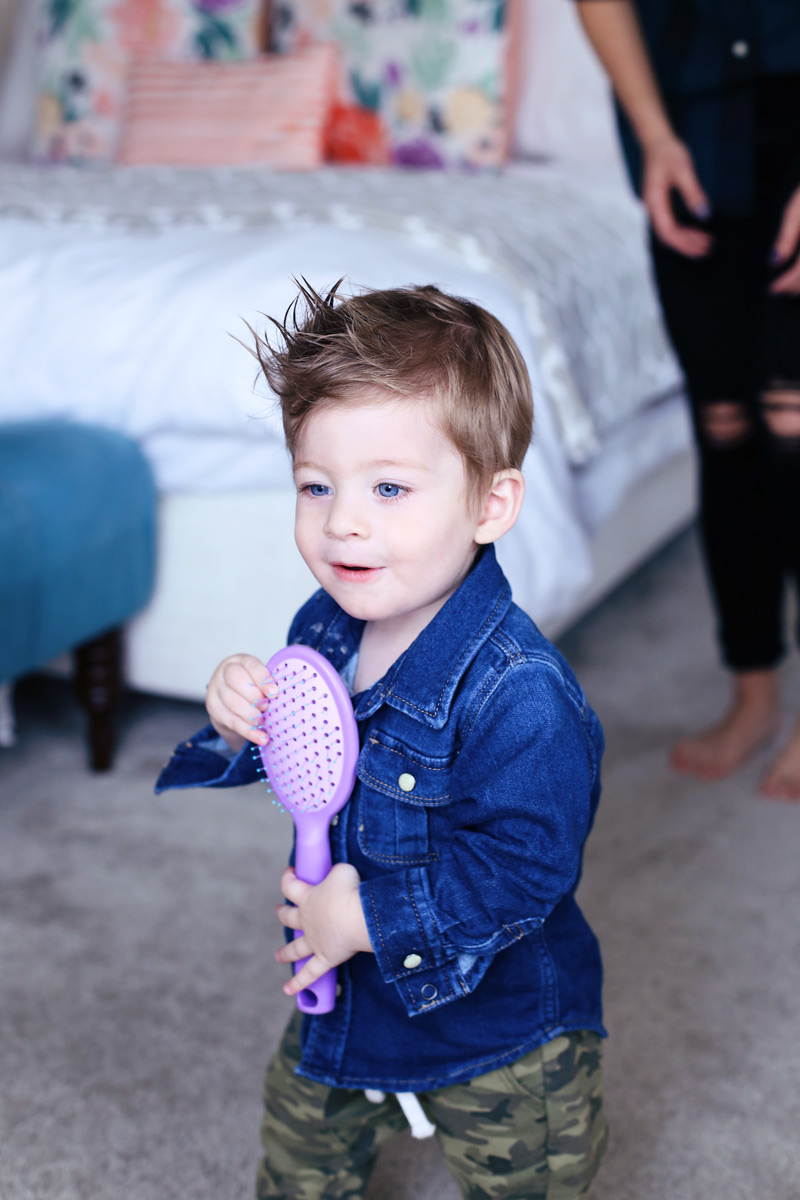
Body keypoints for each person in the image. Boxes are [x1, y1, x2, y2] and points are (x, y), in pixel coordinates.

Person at [156, 283, 608, 1199]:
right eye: (316, 486)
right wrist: (241, 713)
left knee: (531, 1179)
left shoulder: (521, 692)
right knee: (297, 1158)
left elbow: (526, 868)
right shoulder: (324, 626)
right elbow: (303, 760)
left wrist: (366, 921)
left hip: (497, 1031)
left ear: (491, 504)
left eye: (390, 488)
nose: (343, 521)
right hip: (348, 1001)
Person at [573, 0, 800, 797]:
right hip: (687, 124)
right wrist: (656, 138)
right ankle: (753, 694)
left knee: (792, 423)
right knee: (723, 422)